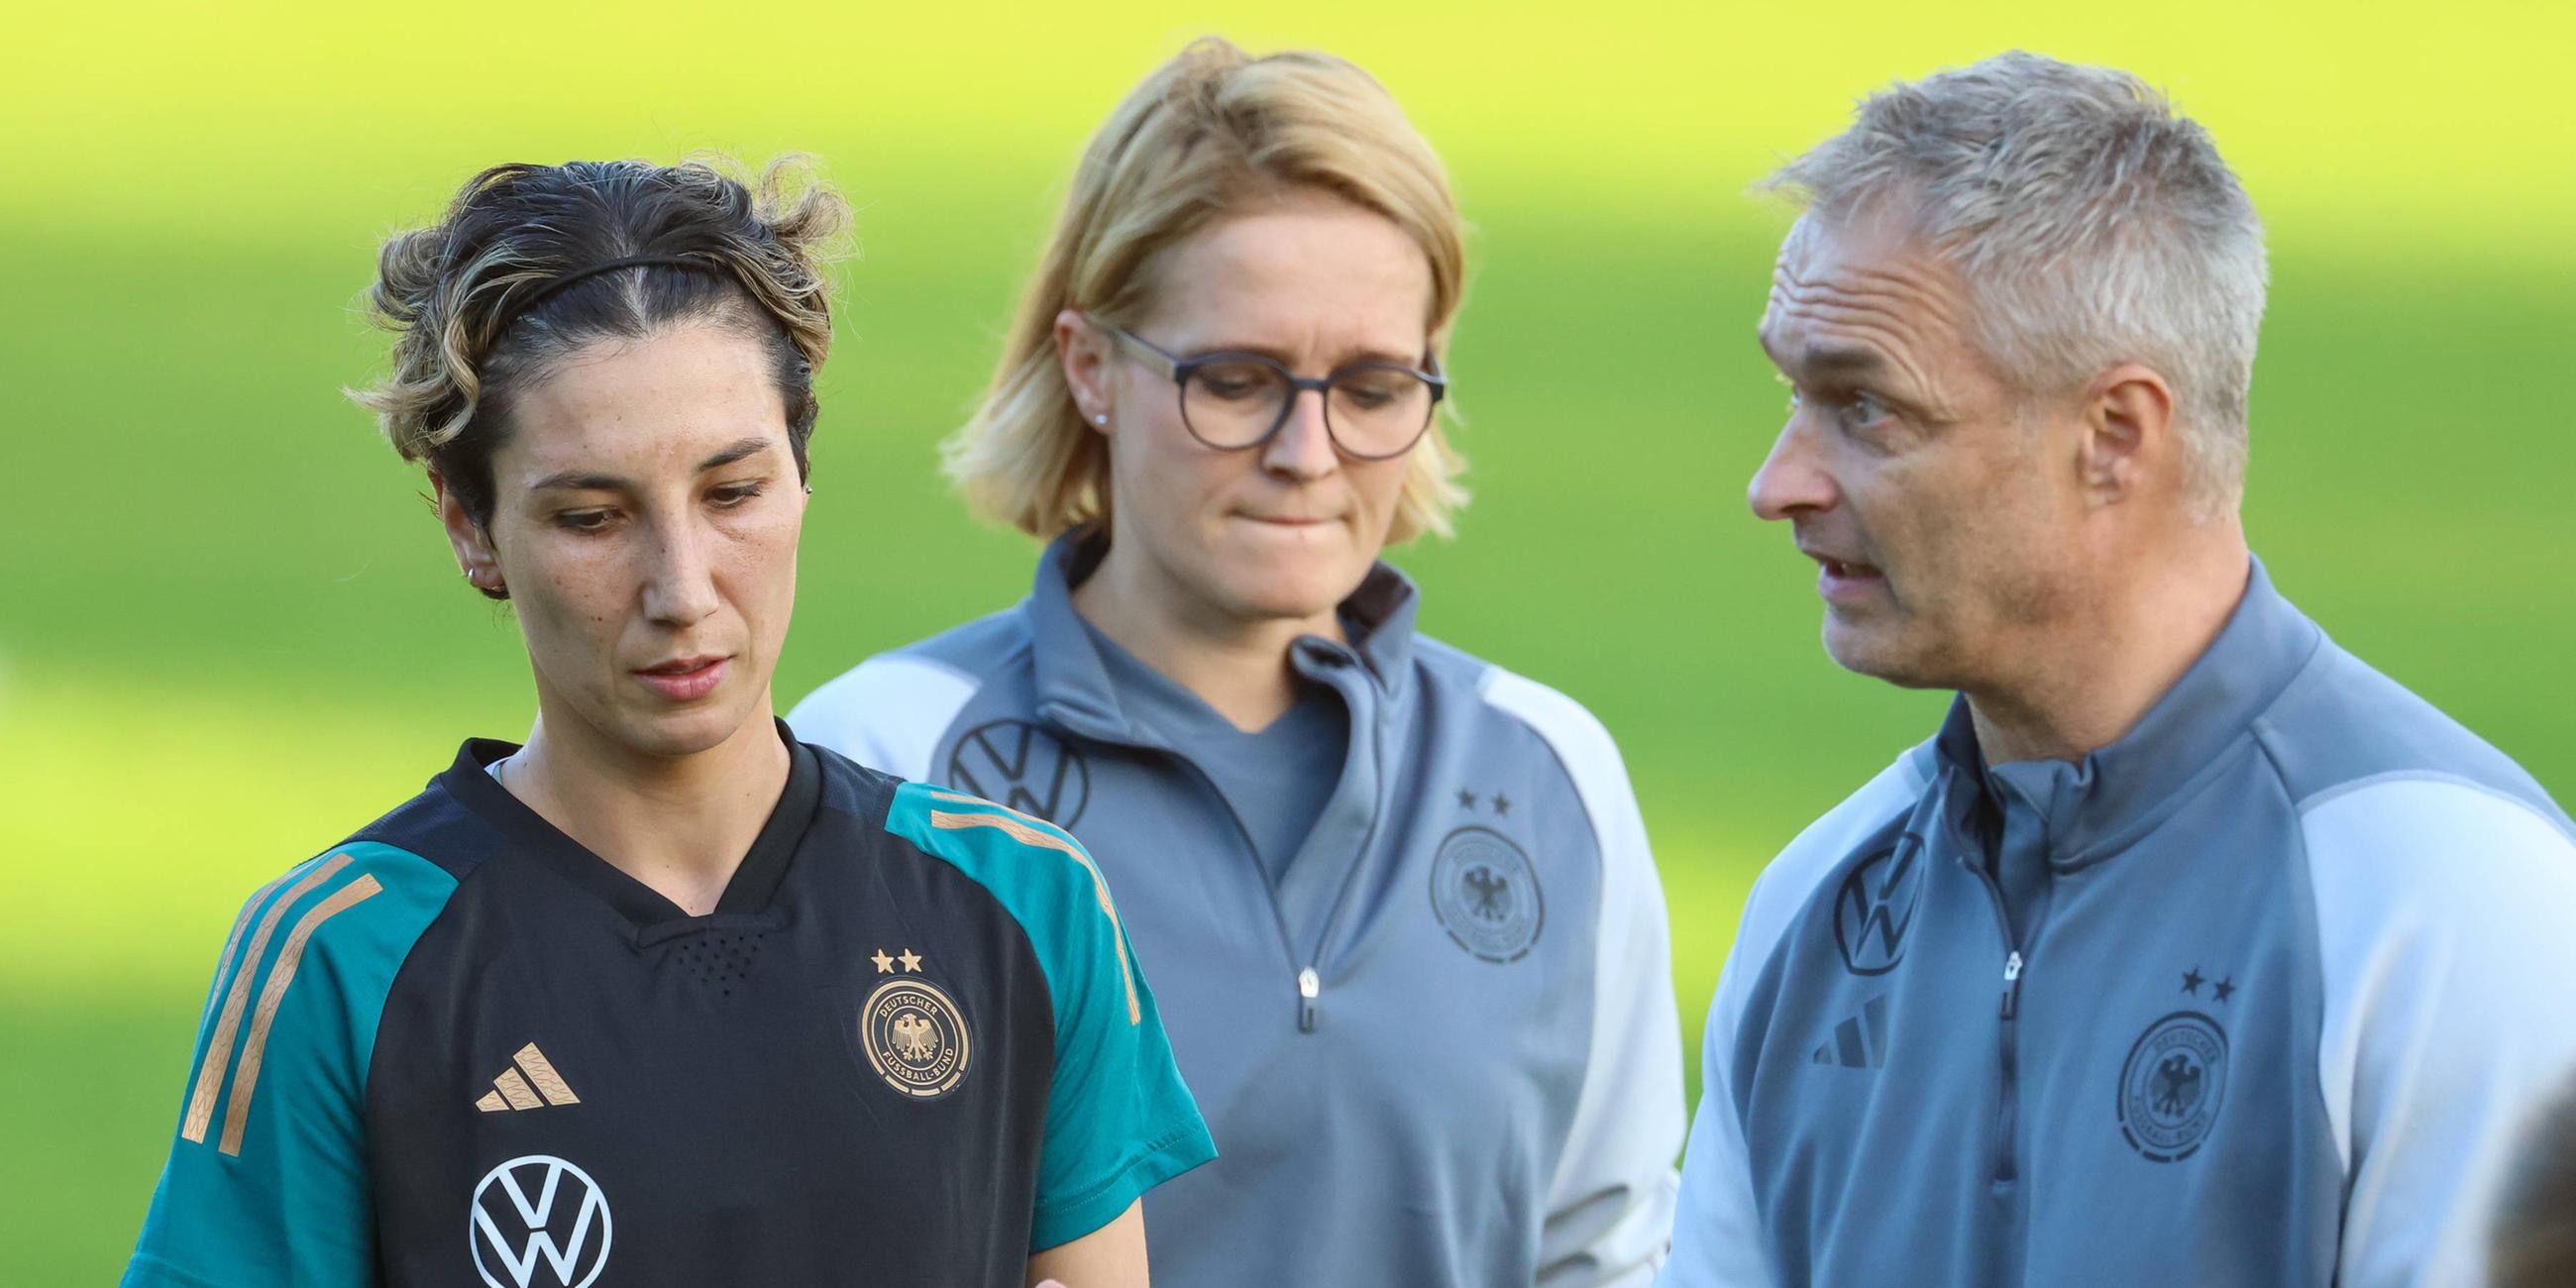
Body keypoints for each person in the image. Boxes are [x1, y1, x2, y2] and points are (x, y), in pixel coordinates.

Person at [123, 157, 1212, 1288]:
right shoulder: (343, 954)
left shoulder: (1021, 904)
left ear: (801, 472)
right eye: (591, 516)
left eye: (732, 493)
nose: (681, 588)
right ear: (471, 524)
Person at [1661, 52, 2576, 1288]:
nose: (1778, 484)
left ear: (2113, 438)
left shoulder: (2448, 902)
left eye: (1866, 407)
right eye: (1791, 395)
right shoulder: (1811, 906)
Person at [790, 38, 1683, 1288]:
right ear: (1088, 365)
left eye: (1370, 386)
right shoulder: (880, 762)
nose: (1306, 450)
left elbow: (1607, 1251)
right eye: (1237, 379)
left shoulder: (1549, 771)